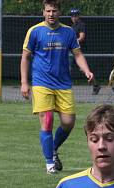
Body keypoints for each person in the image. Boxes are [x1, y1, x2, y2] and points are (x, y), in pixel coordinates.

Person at [21, 1, 95, 175]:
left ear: (59, 12)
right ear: (43, 12)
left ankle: (52, 148)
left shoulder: (68, 32)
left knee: (68, 123)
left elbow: (77, 54)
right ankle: (50, 164)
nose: (51, 14)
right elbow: (25, 57)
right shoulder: (34, 31)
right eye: (48, 11)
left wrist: (87, 70)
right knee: (47, 121)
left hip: (63, 84)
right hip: (41, 84)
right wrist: (25, 82)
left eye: (54, 10)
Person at [70, 8, 101, 95]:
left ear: (78, 16)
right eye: (72, 16)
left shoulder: (81, 25)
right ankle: (64, 87)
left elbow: (81, 37)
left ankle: (95, 85)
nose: (73, 18)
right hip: (72, 51)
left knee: (83, 69)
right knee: (67, 67)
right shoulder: (72, 27)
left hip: (80, 51)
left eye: (75, 16)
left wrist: (73, 41)